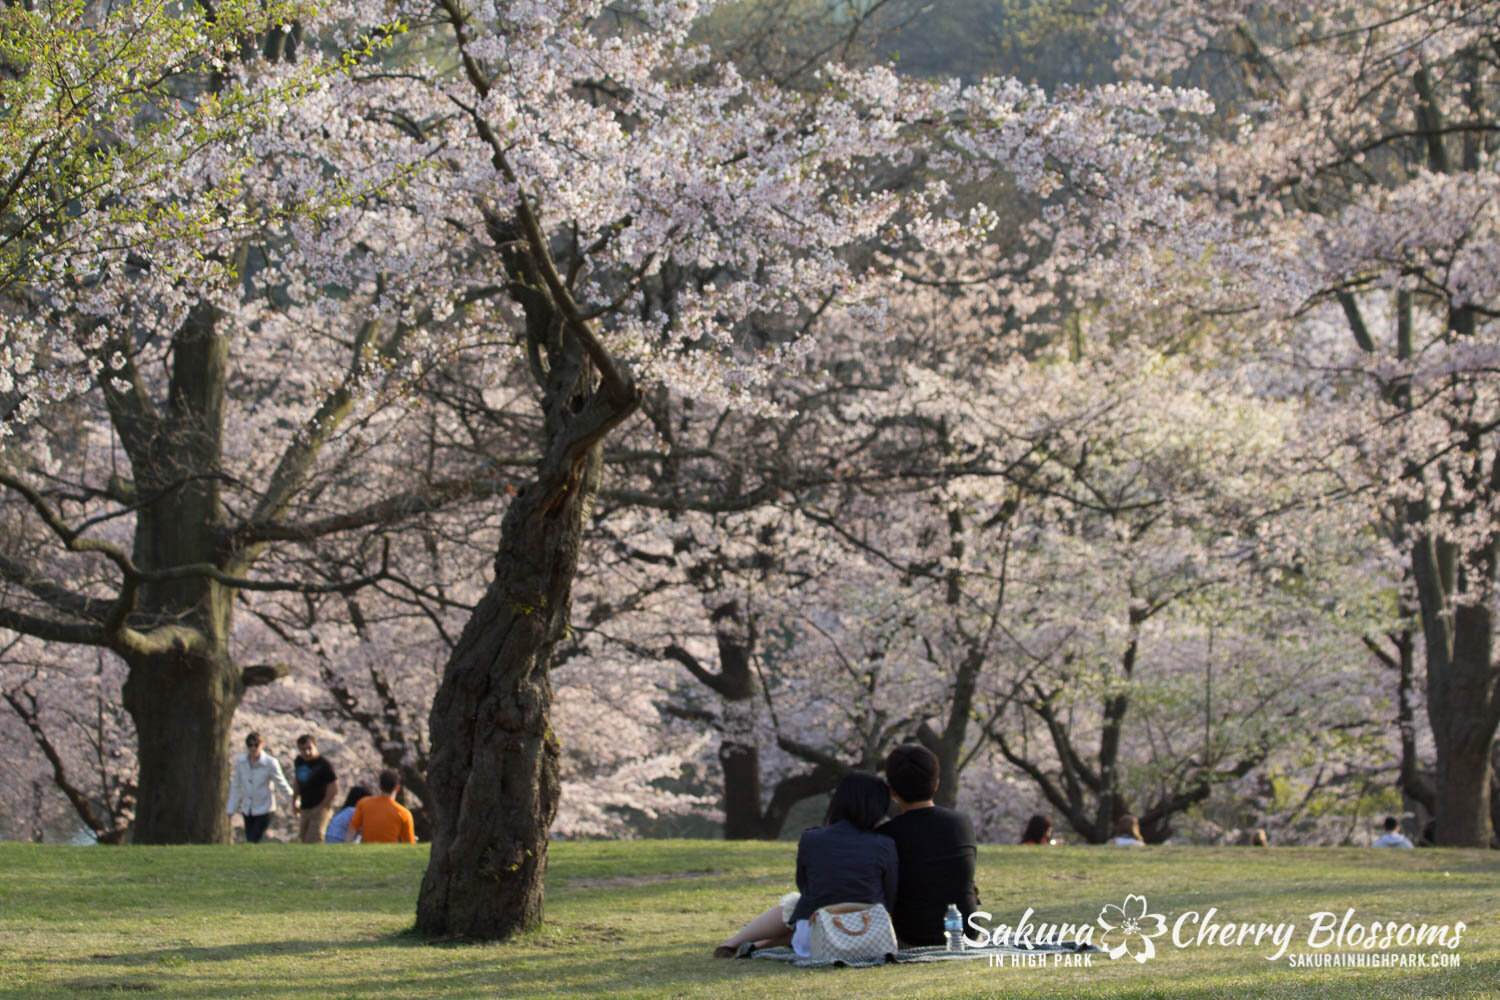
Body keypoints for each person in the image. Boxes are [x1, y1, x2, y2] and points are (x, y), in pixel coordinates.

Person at [714, 771, 897, 959]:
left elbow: (805, 886)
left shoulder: (811, 839)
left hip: (813, 942)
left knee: (794, 901)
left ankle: (735, 943)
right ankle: (755, 944)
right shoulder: (885, 844)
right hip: (870, 939)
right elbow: (889, 896)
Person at [878, 744, 982, 946]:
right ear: (936, 784)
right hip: (968, 930)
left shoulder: (885, 836)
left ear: (892, 791)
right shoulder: (962, 823)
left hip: (911, 935)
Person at [226, 732, 295, 843]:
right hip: (247, 809)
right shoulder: (241, 761)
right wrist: (231, 808)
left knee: (253, 839)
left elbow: (281, 784)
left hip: (264, 808)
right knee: (250, 839)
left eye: (256, 745)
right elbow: (236, 785)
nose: (253, 748)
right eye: (250, 745)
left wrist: (294, 801)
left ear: (262, 745)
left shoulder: (270, 763)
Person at [345, 769, 416, 844]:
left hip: (366, 852)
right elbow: (410, 844)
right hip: (390, 854)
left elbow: (351, 831)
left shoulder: (363, 803)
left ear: (380, 786)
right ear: (397, 788)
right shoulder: (404, 813)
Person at [292, 734, 338, 844]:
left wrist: (322, 807)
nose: (306, 752)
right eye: (303, 749)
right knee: (303, 838)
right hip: (305, 806)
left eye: (309, 748)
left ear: (315, 746)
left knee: (314, 839)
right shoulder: (299, 761)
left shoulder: (324, 764)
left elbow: (334, 788)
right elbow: (297, 781)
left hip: (320, 807)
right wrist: (294, 801)